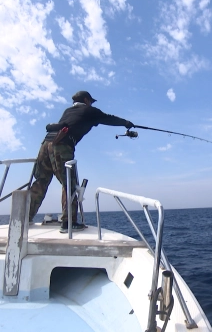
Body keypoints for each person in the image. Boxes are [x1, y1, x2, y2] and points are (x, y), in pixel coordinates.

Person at [28, 90, 134, 233]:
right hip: (62, 144)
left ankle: (25, 217)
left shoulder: (68, 111)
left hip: (46, 143)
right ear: (86, 100)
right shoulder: (88, 110)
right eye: (90, 101)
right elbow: (107, 118)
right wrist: (126, 123)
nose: (91, 103)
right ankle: (68, 223)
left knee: (41, 181)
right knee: (69, 184)